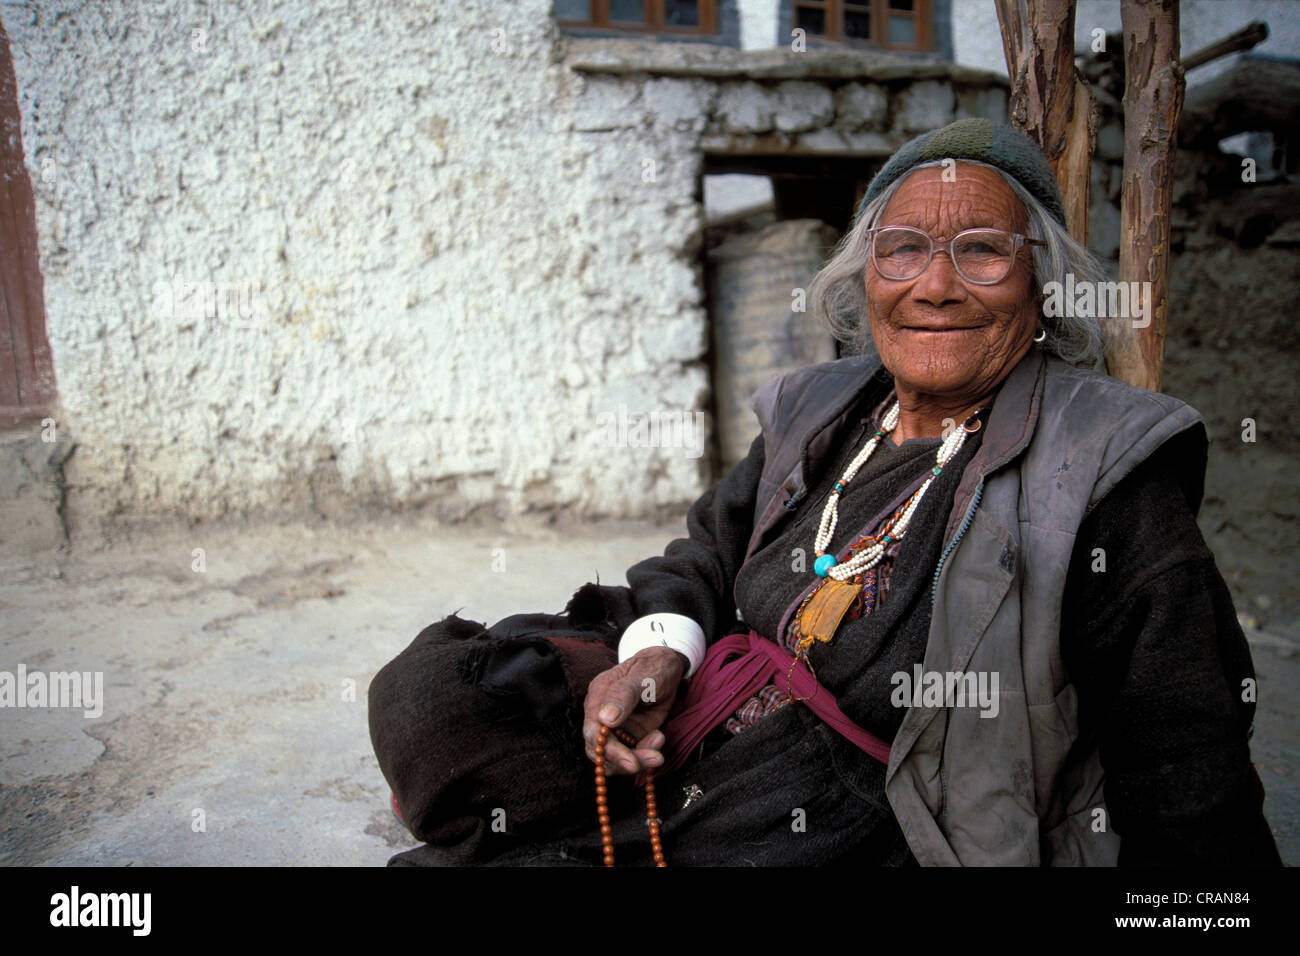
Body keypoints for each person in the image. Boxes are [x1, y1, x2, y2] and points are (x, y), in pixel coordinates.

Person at [368, 118, 1281, 866]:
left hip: (873, 820)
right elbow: (706, 552)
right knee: (435, 701)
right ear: (864, 279)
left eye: (983, 252)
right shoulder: (824, 405)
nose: (936, 285)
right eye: (904, 249)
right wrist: (659, 654)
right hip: (715, 724)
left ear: (1041, 288)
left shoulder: (1104, 467)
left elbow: (1184, 755)